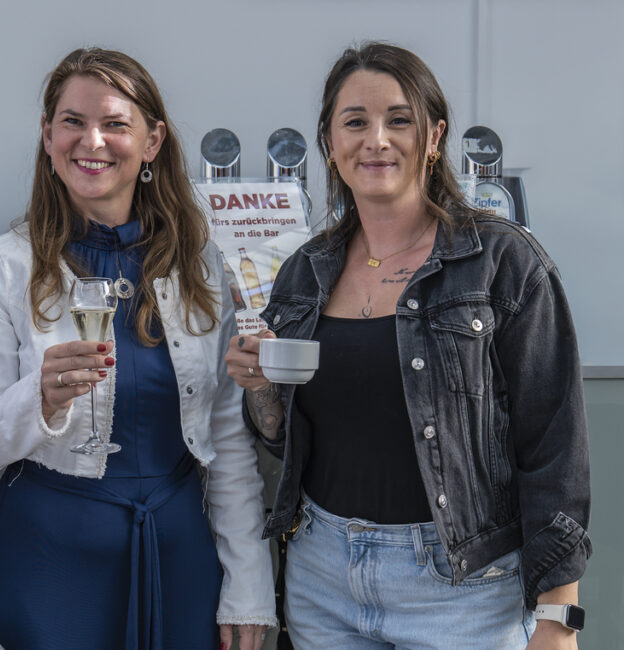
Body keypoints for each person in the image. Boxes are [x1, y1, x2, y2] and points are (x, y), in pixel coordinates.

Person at [226, 41, 591, 649]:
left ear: (434, 136)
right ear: (330, 142)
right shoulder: (304, 272)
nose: (376, 140)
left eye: (399, 120)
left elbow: (555, 447)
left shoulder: (502, 261)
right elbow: (285, 440)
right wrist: (259, 387)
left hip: (465, 589)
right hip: (323, 577)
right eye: (355, 122)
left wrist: (557, 619)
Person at [0, 48, 276, 650]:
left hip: (180, 548)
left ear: (152, 142)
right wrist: (38, 400)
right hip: (48, 559)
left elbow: (228, 439)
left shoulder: (199, 263)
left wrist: (249, 586)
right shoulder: (3, 264)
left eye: (115, 124)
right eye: (72, 122)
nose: (91, 141)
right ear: (48, 136)